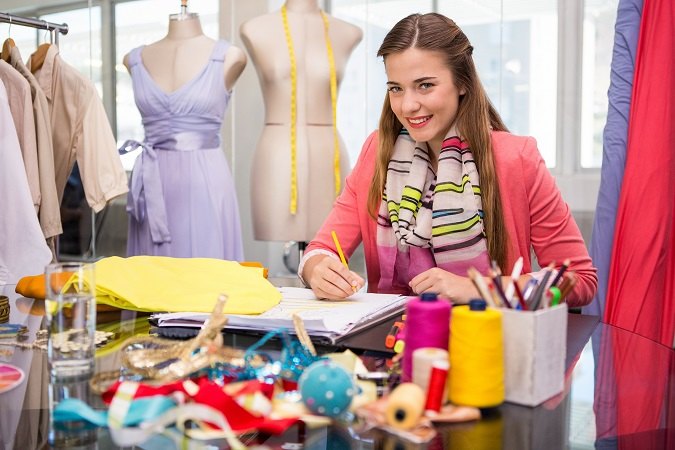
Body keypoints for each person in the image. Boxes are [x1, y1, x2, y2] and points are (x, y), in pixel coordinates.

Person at [298, 13, 597, 307]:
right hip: (397, 335)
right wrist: (318, 270)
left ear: (462, 83)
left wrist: (476, 289)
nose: (408, 105)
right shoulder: (376, 152)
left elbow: (579, 280)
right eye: (396, 88)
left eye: (425, 85)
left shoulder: (517, 158)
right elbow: (320, 250)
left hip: (489, 336)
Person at [122, 9, 246, 260]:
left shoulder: (230, 56)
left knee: (206, 266)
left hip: (205, 181)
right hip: (152, 182)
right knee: (151, 272)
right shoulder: (133, 59)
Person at [240, 0, 362, 242]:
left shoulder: (348, 32)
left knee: (328, 245)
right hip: (278, 156)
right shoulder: (254, 28)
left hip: (329, 156)